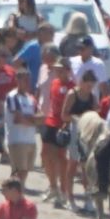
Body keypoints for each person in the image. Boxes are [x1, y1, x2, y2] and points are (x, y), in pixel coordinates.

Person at [61, 70, 100, 212]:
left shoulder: (92, 97)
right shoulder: (73, 94)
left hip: (87, 132)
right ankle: (69, 197)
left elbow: (96, 111)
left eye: (92, 86)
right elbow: (64, 115)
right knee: (72, 164)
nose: (90, 88)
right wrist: (77, 118)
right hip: (74, 130)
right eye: (88, 85)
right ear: (82, 82)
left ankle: (88, 198)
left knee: (86, 167)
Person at [41, 59, 73, 207]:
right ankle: (53, 186)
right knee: (45, 153)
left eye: (61, 69)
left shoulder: (72, 86)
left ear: (67, 70)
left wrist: (67, 123)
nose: (58, 72)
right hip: (51, 121)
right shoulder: (54, 83)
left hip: (64, 123)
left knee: (61, 157)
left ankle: (64, 190)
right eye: (56, 69)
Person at [4, 67, 39, 185]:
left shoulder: (31, 98)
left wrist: (29, 118)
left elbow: (41, 116)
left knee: (25, 171)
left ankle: (17, 191)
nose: (28, 83)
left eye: (29, 80)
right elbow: (18, 119)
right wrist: (33, 120)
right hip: (17, 140)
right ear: (17, 80)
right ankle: (13, 192)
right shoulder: (12, 96)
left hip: (30, 139)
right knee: (19, 172)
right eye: (25, 80)